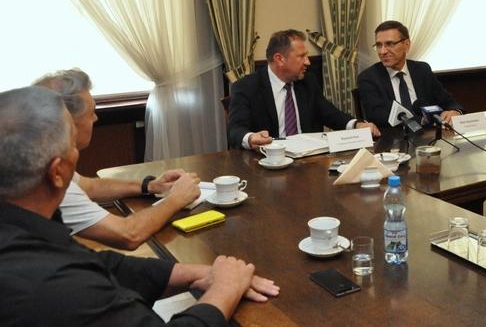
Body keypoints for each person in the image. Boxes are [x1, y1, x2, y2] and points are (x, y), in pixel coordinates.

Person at [0, 86, 279, 326]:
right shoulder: (58, 287)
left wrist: (199, 273)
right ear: (57, 172)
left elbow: (100, 263)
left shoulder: (27, 227)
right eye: (72, 145)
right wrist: (225, 289)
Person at [33, 69, 200, 250]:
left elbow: (88, 186)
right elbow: (129, 234)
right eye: (91, 113)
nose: (96, 118)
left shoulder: (39, 154)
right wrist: (176, 199)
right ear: (68, 121)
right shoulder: (49, 178)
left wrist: (150, 186)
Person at [228, 29, 380, 149]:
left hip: (308, 160)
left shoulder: (307, 80)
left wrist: (356, 124)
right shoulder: (246, 87)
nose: (308, 62)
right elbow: (235, 130)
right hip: (268, 162)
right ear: (279, 59)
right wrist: (250, 138)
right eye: (302, 56)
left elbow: (329, 113)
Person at [358, 20, 463, 129]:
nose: (382, 51)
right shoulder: (368, 77)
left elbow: (447, 101)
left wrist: (455, 111)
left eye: (390, 44)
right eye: (379, 45)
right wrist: (421, 121)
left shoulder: (422, 69)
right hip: (395, 135)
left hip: (430, 133)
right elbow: (377, 117)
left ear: (406, 45)